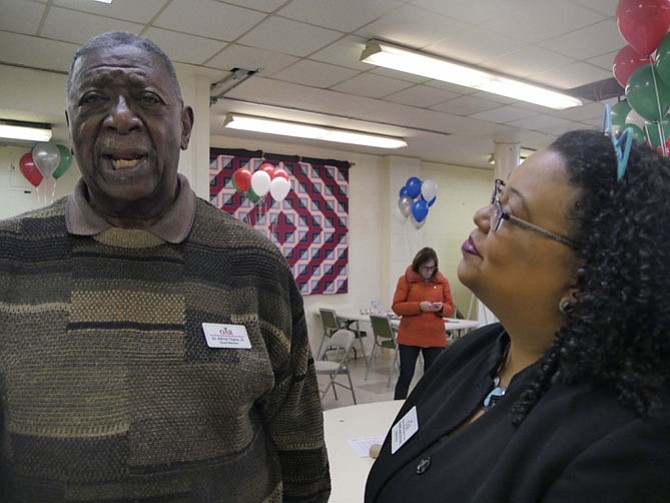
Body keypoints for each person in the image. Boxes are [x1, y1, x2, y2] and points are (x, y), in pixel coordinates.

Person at [0, 31, 330, 502]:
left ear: (186, 125)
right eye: (94, 99)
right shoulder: (8, 256)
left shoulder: (254, 265)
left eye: (147, 100)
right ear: (72, 122)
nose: (119, 117)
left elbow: (301, 443)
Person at [366, 128, 670, 502]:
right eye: (497, 197)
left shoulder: (623, 449)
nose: (481, 216)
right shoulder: (471, 352)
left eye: (507, 214)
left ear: (584, 277)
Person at [391, 247, 454, 400]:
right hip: (410, 336)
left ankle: (427, 408)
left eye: (432, 268)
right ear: (418, 266)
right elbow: (397, 307)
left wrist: (441, 308)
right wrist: (419, 306)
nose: (428, 271)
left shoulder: (442, 282)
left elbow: (450, 308)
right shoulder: (406, 280)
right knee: (406, 375)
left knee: (432, 377)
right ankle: (396, 408)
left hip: (434, 337)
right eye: (425, 268)